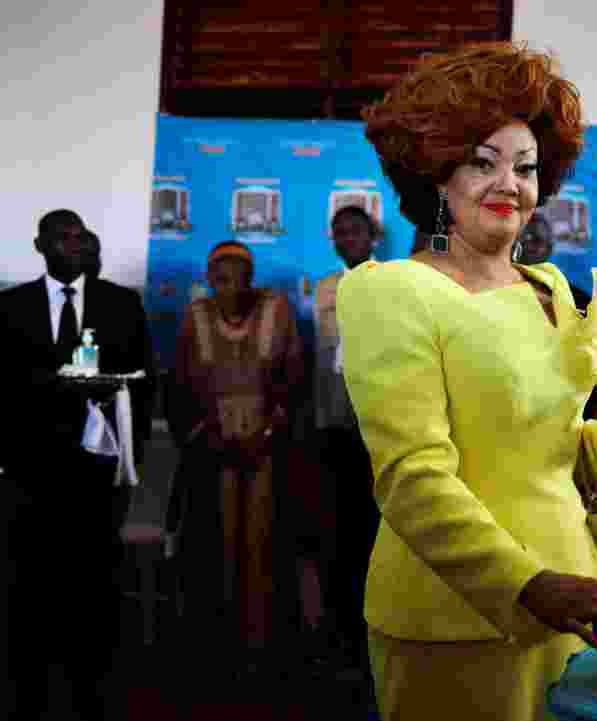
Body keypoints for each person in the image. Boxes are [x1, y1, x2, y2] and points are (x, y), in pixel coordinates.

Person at [339, 42, 597, 721]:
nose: (508, 184)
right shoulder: (390, 291)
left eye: (525, 167)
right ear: (435, 173)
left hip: (581, 604)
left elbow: (555, 443)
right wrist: (527, 584)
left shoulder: (549, 288)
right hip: (458, 620)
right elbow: (412, 476)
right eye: (481, 163)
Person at [0, 209, 154, 721]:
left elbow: (144, 385)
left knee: (93, 588)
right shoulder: (9, 307)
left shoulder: (120, 305)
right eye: (61, 236)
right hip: (29, 475)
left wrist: (128, 465)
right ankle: (28, 692)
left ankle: (93, 689)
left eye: (79, 235)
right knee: (28, 588)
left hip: (97, 475)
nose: (72, 243)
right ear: (39, 244)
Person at [168, 241, 305, 676]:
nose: (229, 287)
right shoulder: (197, 316)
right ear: (209, 281)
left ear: (252, 277)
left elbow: (293, 377)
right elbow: (184, 384)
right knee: (218, 541)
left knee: (262, 541)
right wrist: (208, 435)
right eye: (220, 278)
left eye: (239, 277)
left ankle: (260, 643)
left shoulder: (276, 309)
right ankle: (220, 639)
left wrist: (267, 432)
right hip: (215, 444)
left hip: (267, 444)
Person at [311, 205, 380, 675]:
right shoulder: (324, 288)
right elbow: (322, 357)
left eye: (355, 229)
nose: (346, 237)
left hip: (378, 430)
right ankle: (341, 639)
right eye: (339, 231)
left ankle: (375, 638)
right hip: (333, 427)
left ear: (373, 236)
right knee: (337, 536)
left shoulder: (394, 281)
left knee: (374, 536)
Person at [517, 213, 591, 310]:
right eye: (519, 237)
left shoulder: (574, 300)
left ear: (548, 249)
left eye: (535, 239)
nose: (524, 243)